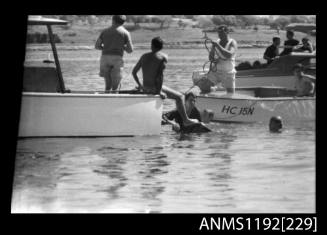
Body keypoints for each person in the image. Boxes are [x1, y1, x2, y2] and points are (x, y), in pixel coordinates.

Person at [132, 37, 199, 127]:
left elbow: (134, 72)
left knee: (177, 95)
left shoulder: (144, 56)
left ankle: (167, 119)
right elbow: (160, 76)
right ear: (161, 47)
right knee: (180, 97)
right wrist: (159, 92)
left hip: (146, 87)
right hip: (155, 88)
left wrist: (140, 86)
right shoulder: (162, 57)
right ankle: (186, 120)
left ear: (151, 45)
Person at [95, 15, 133, 92]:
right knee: (115, 87)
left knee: (107, 86)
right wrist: (122, 46)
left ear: (113, 20)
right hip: (117, 59)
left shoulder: (105, 31)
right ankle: (114, 100)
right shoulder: (125, 33)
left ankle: (106, 99)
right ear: (123, 22)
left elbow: (97, 46)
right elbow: (130, 50)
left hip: (105, 58)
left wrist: (106, 48)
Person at [207, 25, 238, 94]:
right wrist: (214, 58)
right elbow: (211, 58)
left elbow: (229, 55)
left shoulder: (232, 42)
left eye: (222, 32)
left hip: (229, 72)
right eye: (218, 32)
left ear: (227, 32)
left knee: (231, 94)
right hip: (216, 71)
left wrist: (217, 45)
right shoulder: (217, 42)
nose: (219, 34)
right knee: (206, 87)